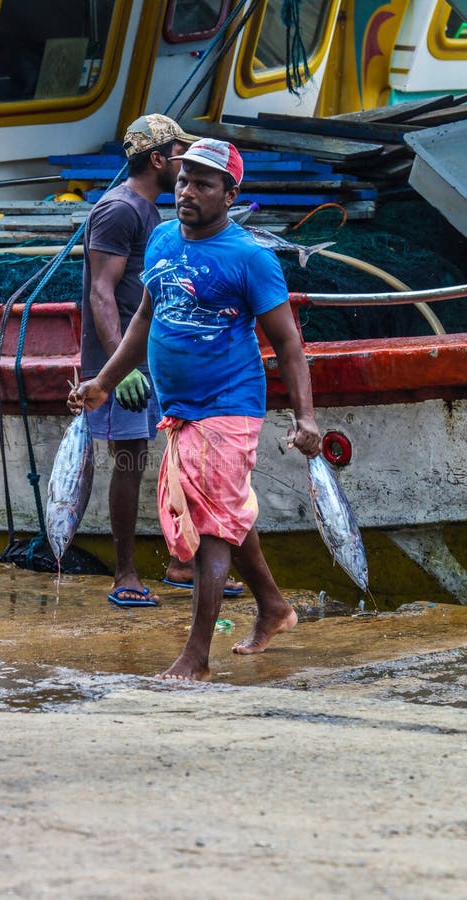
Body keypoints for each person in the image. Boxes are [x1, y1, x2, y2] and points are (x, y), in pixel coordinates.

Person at [69, 138, 321, 680]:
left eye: (204, 184)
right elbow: (143, 322)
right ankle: (274, 608)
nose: (187, 192)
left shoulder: (250, 258)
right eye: (183, 181)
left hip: (230, 407)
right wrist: (104, 381)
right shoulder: (160, 239)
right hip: (180, 410)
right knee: (225, 516)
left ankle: (196, 658)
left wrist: (306, 417)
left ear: (230, 194)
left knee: (208, 529)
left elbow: (289, 343)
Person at [80, 113, 197, 608]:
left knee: (168, 455)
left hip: (148, 357)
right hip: (120, 361)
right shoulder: (119, 210)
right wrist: (117, 371)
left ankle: (181, 560)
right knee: (128, 460)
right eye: (178, 156)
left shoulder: (150, 213)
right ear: (156, 159)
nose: (184, 165)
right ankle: (124, 573)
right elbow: (101, 293)